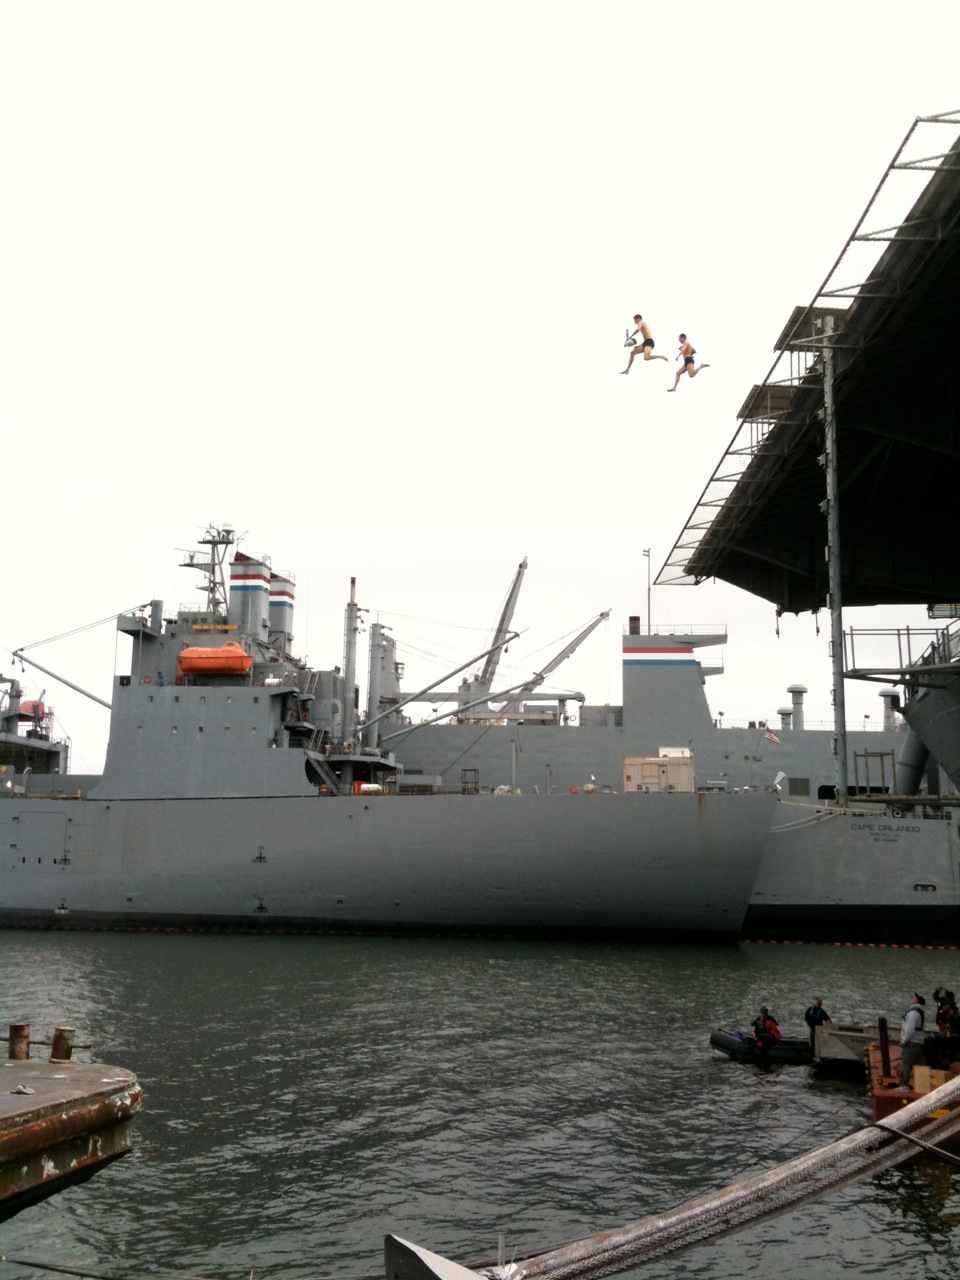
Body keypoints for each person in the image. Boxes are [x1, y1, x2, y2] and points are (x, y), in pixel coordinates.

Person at [897, 992, 927, 1089]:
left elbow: (909, 1029)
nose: (912, 998)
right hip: (919, 1042)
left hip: (912, 1042)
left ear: (917, 1001)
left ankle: (904, 1085)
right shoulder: (920, 1012)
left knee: (906, 1063)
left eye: (914, 997)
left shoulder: (913, 1013)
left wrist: (904, 1041)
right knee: (920, 1064)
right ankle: (923, 1086)